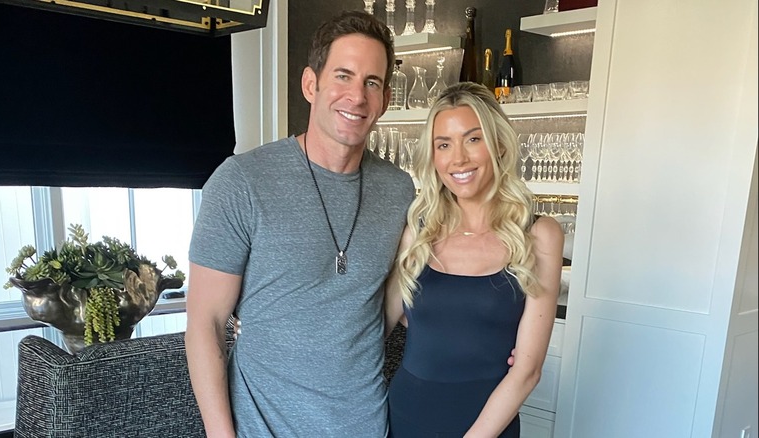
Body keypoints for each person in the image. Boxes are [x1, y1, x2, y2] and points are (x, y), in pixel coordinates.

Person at [184, 10, 415, 438]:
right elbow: (206, 324)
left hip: (366, 426)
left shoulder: (400, 192)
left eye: (372, 82)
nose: (357, 96)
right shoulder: (241, 181)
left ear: (384, 99)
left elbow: (407, 293)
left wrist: (485, 334)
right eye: (343, 76)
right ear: (311, 84)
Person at [384, 82, 564, 437]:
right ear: (433, 157)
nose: (458, 159)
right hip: (405, 417)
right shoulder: (416, 232)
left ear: (498, 144)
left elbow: (527, 371)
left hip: (488, 426)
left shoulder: (539, 235)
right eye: (444, 145)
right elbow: (376, 329)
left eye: (473, 139)